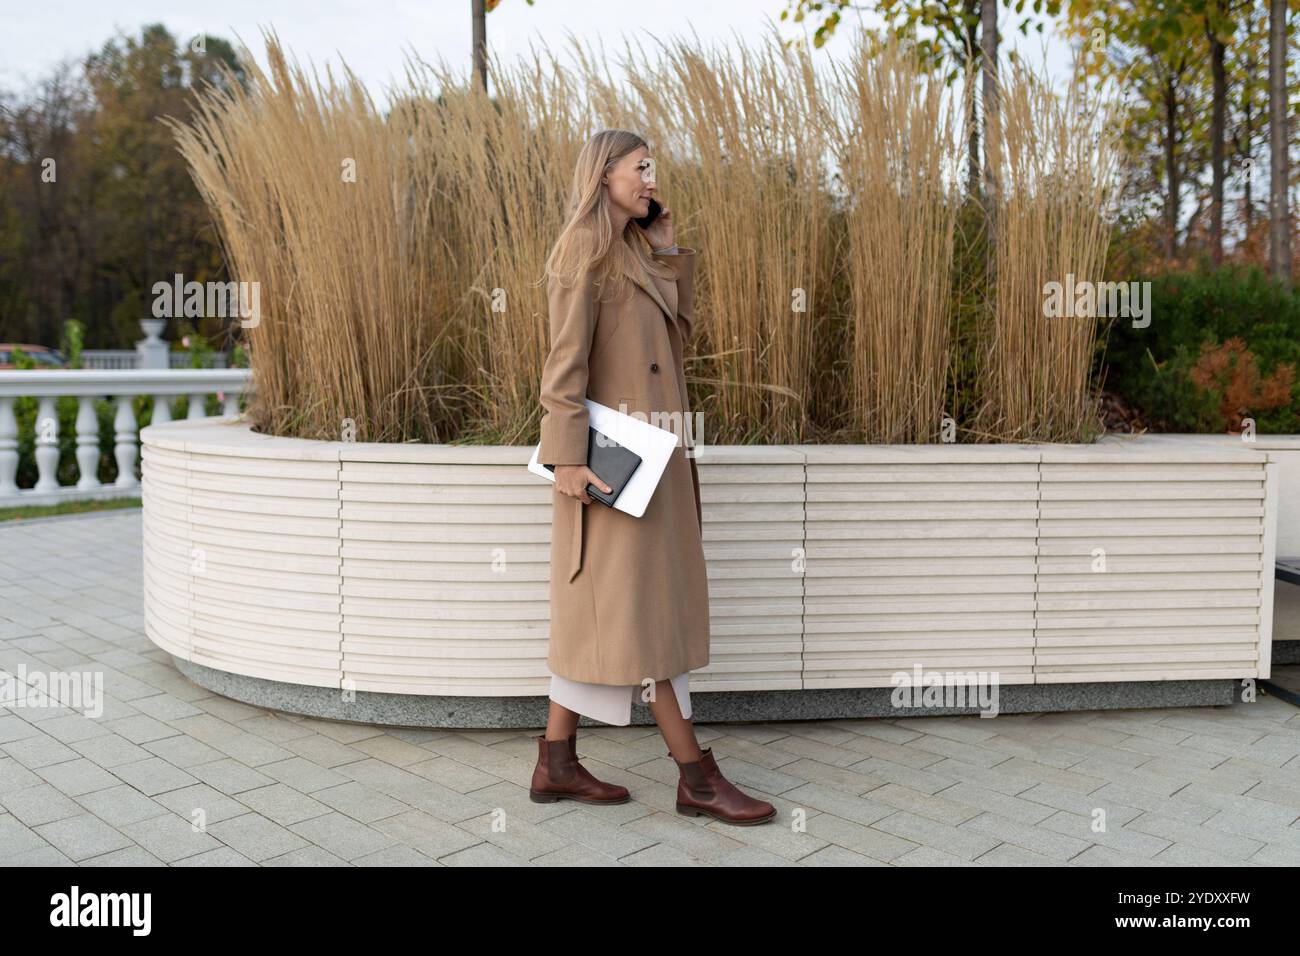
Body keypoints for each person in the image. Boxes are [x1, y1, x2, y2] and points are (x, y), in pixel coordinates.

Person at [530, 128, 775, 826]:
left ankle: (556, 763)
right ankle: (696, 778)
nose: (651, 178)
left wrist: (666, 250)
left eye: (651, 168)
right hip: (611, 468)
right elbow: (563, 366)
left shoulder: (632, 251)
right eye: (640, 168)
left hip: (654, 461)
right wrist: (567, 459)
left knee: (609, 616)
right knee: (645, 619)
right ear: (603, 173)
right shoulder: (581, 253)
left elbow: (677, 337)